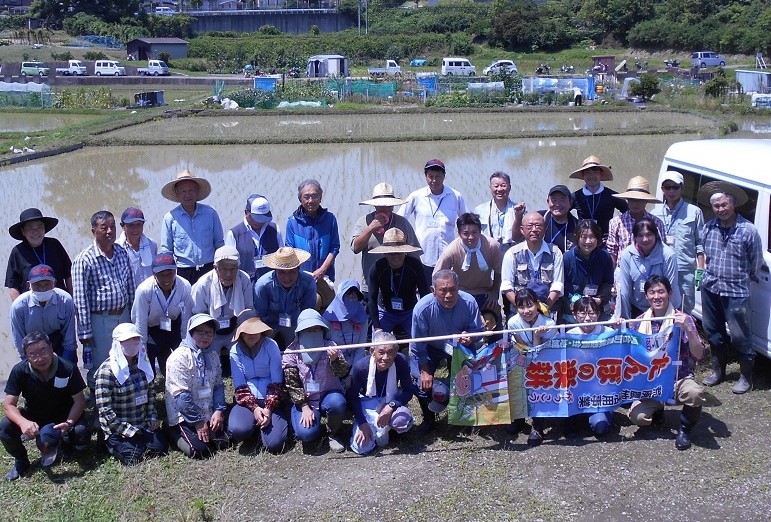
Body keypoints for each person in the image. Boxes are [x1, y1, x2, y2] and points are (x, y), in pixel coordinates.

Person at [627, 275, 707, 450]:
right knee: (637, 417)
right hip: (651, 383)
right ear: (646, 296)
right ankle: (657, 412)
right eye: (652, 292)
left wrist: (688, 329)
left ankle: (685, 429)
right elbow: (628, 353)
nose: (657, 296)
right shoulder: (639, 322)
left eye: (661, 291)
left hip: (678, 377)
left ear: (669, 293)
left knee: (694, 394)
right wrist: (619, 327)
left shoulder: (684, 319)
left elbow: (699, 354)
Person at [698, 182, 763, 394]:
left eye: (724, 204)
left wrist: (745, 279)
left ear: (733, 204)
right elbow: (705, 256)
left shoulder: (748, 230)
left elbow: (756, 261)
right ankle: (718, 371)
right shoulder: (708, 228)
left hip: (736, 292)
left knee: (740, 335)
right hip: (711, 288)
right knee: (713, 332)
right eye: (716, 206)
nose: (721, 209)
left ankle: (746, 377)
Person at [0, 332, 89, 481]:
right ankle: (21, 461)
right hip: (34, 415)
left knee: (81, 433)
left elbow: (80, 401)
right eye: (32, 354)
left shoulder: (67, 367)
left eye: (43, 350)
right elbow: (8, 405)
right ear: (26, 356)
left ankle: (64, 443)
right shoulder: (19, 371)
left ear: (51, 347)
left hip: (63, 415)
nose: (39, 358)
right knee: (4, 428)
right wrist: (23, 422)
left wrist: (69, 423)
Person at [410, 269, 484, 433]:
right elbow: (417, 345)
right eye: (443, 290)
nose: (448, 295)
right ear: (433, 291)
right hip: (430, 348)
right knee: (421, 383)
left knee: (466, 380)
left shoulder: (469, 302)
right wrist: (424, 369)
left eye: (452, 290)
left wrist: (471, 337)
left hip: (460, 347)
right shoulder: (422, 308)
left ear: (458, 287)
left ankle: (463, 416)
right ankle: (429, 418)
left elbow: (479, 331)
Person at [72, 211, 135, 387]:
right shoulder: (84, 259)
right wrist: (85, 333)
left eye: (112, 227)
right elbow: (80, 299)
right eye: (104, 227)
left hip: (122, 315)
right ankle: (98, 402)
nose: (109, 231)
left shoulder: (122, 252)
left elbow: (130, 286)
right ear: (94, 231)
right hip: (100, 320)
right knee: (100, 364)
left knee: (125, 357)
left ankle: (124, 399)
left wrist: (132, 317)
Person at [95, 323, 168, 465]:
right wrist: (127, 430)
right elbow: (105, 410)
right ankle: (109, 442)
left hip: (140, 422)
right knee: (134, 457)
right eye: (126, 341)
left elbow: (151, 395)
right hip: (117, 427)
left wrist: (152, 416)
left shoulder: (143, 365)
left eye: (136, 339)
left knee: (161, 448)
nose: (132, 343)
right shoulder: (107, 371)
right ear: (117, 343)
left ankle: (139, 441)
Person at [282, 309, 350, 453]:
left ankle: (334, 433)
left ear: (322, 329)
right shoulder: (291, 352)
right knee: (306, 434)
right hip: (305, 399)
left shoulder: (331, 346)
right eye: (308, 329)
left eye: (316, 328)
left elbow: (343, 373)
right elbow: (291, 384)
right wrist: (304, 406)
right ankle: (311, 424)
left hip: (329, 394)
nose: (312, 332)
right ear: (300, 331)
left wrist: (335, 360)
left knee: (337, 403)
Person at [165, 314, 229, 459]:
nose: (205, 336)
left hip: (207, 409)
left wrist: (218, 410)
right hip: (184, 414)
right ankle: (172, 431)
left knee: (223, 442)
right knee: (199, 451)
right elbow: (181, 396)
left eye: (209, 333)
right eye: (200, 332)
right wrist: (198, 423)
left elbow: (218, 385)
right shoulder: (179, 357)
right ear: (191, 332)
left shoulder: (212, 354)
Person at [398, 159, 467, 283]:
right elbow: (400, 219)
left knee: (446, 291)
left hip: (448, 256)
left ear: (444, 176)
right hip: (422, 256)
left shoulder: (455, 196)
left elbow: (466, 223)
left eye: (438, 176)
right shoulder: (416, 196)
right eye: (431, 176)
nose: (434, 180)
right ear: (425, 176)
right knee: (425, 292)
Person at [348, 331, 415, 455]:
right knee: (362, 447)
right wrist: (362, 423)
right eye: (381, 352)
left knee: (402, 420)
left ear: (396, 351)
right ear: (372, 351)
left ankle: (390, 429)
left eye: (390, 352)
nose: (386, 357)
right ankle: (379, 432)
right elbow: (353, 397)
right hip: (366, 403)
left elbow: (408, 390)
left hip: (389, 400)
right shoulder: (360, 367)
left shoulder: (401, 361)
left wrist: (392, 406)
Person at [228, 316, 289, 453]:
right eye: (247, 331)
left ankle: (267, 423)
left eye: (256, 330)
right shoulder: (234, 351)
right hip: (248, 400)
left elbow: (277, 382)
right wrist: (255, 408)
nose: (252, 334)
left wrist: (268, 408)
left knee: (275, 444)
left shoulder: (271, 345)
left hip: (271, 399)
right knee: (237, 430)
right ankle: (252, 426)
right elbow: (240, 386)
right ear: (241, 333)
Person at [506, 288, 557, 446]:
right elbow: (521, 346)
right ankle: (519, 419)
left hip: (544, 362)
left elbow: (543, 353)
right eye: (521, 307)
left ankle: (538, 425)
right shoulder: (513, 322)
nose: (526, 311)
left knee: (538, 385)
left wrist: (536, 337)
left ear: (537, 304)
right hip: (523, 357)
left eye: (530, 306)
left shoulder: (549, 324)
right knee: (516, 381)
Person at [192, 246, 253, 375]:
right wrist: (207, 335)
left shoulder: (244, 279)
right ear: (215, 268)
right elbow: (198, 314)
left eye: (232, 269)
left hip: (234, 329)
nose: (228, 274)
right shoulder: (203, 284)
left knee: (244, 364)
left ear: (238, 268)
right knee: (208, 369)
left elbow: (248, 311)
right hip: (211, 330)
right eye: (224, 269)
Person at [351, 182, 420, 295]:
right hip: (371, 286)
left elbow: (414, 254)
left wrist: (418, 281)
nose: (384, 209)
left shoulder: (402, 223)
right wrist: (370, 228)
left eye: (388, 206)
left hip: (401, 283)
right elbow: (355, 248)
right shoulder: (363, 222)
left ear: (393, 206)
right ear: (374, 206)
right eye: (380, 206)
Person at [650, 171, 705, 314]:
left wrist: (700, 269)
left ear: (682, 188)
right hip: (661, 268)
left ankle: (683, 336)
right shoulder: (654, 213)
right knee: (661, 306)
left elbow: (700, 243)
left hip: (685, 270)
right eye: (667, 187)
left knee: (685, 308)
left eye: (675, 187)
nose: (671, 191)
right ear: (662, 189)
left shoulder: (694, 212)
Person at [131, 253, 194, 376]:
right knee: (149, 353)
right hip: (151, 328)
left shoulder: (184, 286)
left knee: (182, 353)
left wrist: (186, 346)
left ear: (175, 272)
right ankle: (150, 381)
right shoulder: (144, 291)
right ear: (154, 275)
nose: (166, 279)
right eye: (161, 275)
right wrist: (142, 350)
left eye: (170, 274)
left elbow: (186, 319)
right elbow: (140, 322)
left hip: (174, 324)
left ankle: (180, 377)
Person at [564, 297, 618, 438]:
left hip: (600, 392)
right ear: (575, 315)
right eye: (582, 313)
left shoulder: (608, 332)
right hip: (577, 392)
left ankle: (601, 415)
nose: (587, 318)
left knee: (601, 427)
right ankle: (576, 418)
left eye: (592, 313)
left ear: (598, 314)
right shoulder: (569, 335)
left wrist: (620, 329)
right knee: (570, 429)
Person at [160, 170, 225, 285]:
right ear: (177, 194)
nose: (187, 194)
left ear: (197, 191)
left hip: (209, 269)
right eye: (183, 191)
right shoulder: (170, 218)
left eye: (191, 190)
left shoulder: (210, 214)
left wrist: (222, 268)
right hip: (183, 272)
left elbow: (219, 243)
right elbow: (167, 251)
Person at [434, 212, 502, 314]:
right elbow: (437, 276)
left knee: (494, 324)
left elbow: (499, 271)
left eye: (474, 232)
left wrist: (494, 292)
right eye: (466, 233)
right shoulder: (451, 250)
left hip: (485, 292)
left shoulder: (492, 246)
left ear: (480, 231)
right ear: (459, 233)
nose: (471, 237)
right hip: (460, 294)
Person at [368, 228, 430, 336]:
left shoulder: (415, 266)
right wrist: (377, 328)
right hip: (385, 311)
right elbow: (372, 299)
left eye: (399, 252)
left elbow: (424, 294)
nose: (396, 256)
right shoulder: (377, 268)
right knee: (378, 344)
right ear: (385, 253)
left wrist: (425, 320)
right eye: (392, 253)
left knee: (421, 340)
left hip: (410, 311)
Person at [253, 247, 317, 350]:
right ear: (275, 270)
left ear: (298, 268)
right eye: (282, 272)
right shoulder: (262, 285)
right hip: (268, 324)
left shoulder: (308, 283)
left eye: (292, 272)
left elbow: (307, 314)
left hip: (294, 322)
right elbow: (260, 316)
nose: (287, 278)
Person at [11, 264, 77, 363]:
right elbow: (19, 340)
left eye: (47, 284)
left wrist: (65, 364)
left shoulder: (65, 300)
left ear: (54, 283)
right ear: (28, 285)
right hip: (32, 346)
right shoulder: (18, 306)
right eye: (37, 285)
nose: (43, 289)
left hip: (59, 344)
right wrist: (28, 363)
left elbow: (69, 337)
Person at [501, 212, 564, 315]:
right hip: (519, 312)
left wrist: (543, 309)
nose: (534, 229)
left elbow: (557, 285)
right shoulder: (512, 253)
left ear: (545, 228)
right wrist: (524, 309)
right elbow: (506, 287)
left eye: (538, 225)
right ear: (522, 230)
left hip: (546, 311)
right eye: (529, 226)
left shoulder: (555, 253)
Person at [617, 218, 680, 319]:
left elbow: (671, 288)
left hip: (664, 310)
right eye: (640, 235)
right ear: (635, 237)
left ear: (656, 234)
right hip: (638, 308)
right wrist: (625, 318)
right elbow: (625, 290)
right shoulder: (627, 255)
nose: (645, 239)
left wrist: (669, 316)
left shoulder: (668, 255)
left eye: (649, 234)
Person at [6, 207, 72, 301]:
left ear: (44, 229)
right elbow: (12, 285)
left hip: (59, 302)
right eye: (30, 228)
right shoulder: (17, 251)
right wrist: (20, 308)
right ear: (23, 232)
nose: (36, 232)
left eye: (39, 227)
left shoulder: (55, 245)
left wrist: (72, 301)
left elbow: (69, 275)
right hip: (31, 306)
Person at [285, 179, 341, 283]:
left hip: (325, 276)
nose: (311, 200)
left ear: (320, 198)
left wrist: (322, 270)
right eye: (306, 197)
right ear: (300, 199)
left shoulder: (330, 219)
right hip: (300, 278)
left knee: (323, 299)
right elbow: (290, 251)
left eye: (315, 196)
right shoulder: (292, 222)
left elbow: (334, 248)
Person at [561, 220, 615, 323]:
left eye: (592, 237)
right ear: (577, 237)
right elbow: (563, 286)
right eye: (584, 237)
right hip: (572, 311)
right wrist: (575, 302)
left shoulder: (605, 257)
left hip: (597, 310)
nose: (588, 241)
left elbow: (608, 283)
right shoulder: (566, 258)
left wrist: (600, 299)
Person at [606, 176, 667, 265]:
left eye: (640, 200)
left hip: (649, 270)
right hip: (622, 269)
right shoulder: (616, 222)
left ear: (646, 201)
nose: (635, 204)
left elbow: (662, 249)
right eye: (632, 200)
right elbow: (612, 252)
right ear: (627, 200)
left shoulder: (656, 223)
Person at [225, 194, 283, 282]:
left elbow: (282, 257)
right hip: (245, 286)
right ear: (246, 212)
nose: (259, 222)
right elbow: (228, 265)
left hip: (271, 285)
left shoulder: (275, 229)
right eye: (256, 218)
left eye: (262, 218)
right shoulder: (234, 234)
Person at [570, 156, 628, 244]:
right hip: (584, 241)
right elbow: (561, 212)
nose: (591, 176)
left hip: (606, 241)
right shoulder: (576, 196)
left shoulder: (612, 195)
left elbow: (628, 212)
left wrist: (619, 229)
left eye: (595, 172)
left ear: (601, 174)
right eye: (588, 172)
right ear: (583, 175)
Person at [473, 172, 525, 258]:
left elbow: (522, 238)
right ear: (490, 188)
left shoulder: (519, 210)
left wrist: (519, 216)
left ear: (510, 187)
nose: (500, 189)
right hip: (488, 254)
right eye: (496, 186)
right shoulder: (479, 210)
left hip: (512, 254)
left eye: (503, 185)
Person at [322, 279, 368, 369]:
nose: (351, 299)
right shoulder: (328, 317)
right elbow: (324, 347)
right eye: (347, 295)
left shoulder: (362, 317)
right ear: (340, 296)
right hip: (332, 364)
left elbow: (360, 349)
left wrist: (352, 375)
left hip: (355, 363)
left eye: (354, 295)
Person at [117, 207, 158, 289]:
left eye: (139, 224)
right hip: (129, 295)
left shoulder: (152, 244)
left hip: (150, 293)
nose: (135, 229)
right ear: (122, 226)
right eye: (131, 225)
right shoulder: (117, 248)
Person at [536, 185, 579, 254]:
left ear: (570, 203)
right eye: (554, 200)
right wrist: (518, 217)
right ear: (548, 202)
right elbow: (517, 238)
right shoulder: (538, 218)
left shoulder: (578, 226)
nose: (557, 204)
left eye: (562, 200)